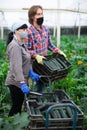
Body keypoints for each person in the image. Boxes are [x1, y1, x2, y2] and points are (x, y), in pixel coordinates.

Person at [24, 5, 66, 93]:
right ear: (32, 16)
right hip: (34, 65)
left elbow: (49, 45)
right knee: (33, 89)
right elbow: (26, 50)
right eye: (38, 14)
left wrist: (58, 51)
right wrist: (35, 55)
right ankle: (31, 104)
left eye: (41, 14)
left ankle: (40, 104)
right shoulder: (28, 32)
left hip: (45, 64)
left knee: (42, 87)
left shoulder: (46, 29)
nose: (41, 16)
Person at [5, 21, 40, 116]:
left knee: (19, 104)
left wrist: (30, 71)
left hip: (21, 80)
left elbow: (25, 62)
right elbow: (16, 67)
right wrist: (22, 83)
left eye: (26, 29)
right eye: (23, 29)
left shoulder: (21, 43)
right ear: (16, 31)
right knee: (16, 106)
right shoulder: (14, 46)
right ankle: (10, 123)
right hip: (16, 82)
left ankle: (15, 122)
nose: (25, 31)